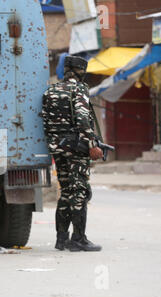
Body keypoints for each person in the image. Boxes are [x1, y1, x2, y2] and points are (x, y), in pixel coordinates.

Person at [41, 55, 103, 252]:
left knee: (66, 191)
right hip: (77, 150)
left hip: (57, 149)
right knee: (79, 192)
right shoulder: (79, 89)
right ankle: (78, 239)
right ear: (81, 72)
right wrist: (93, 144)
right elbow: (83, 119)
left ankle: (61, 240)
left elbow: (46, 121)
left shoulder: (51, 90)